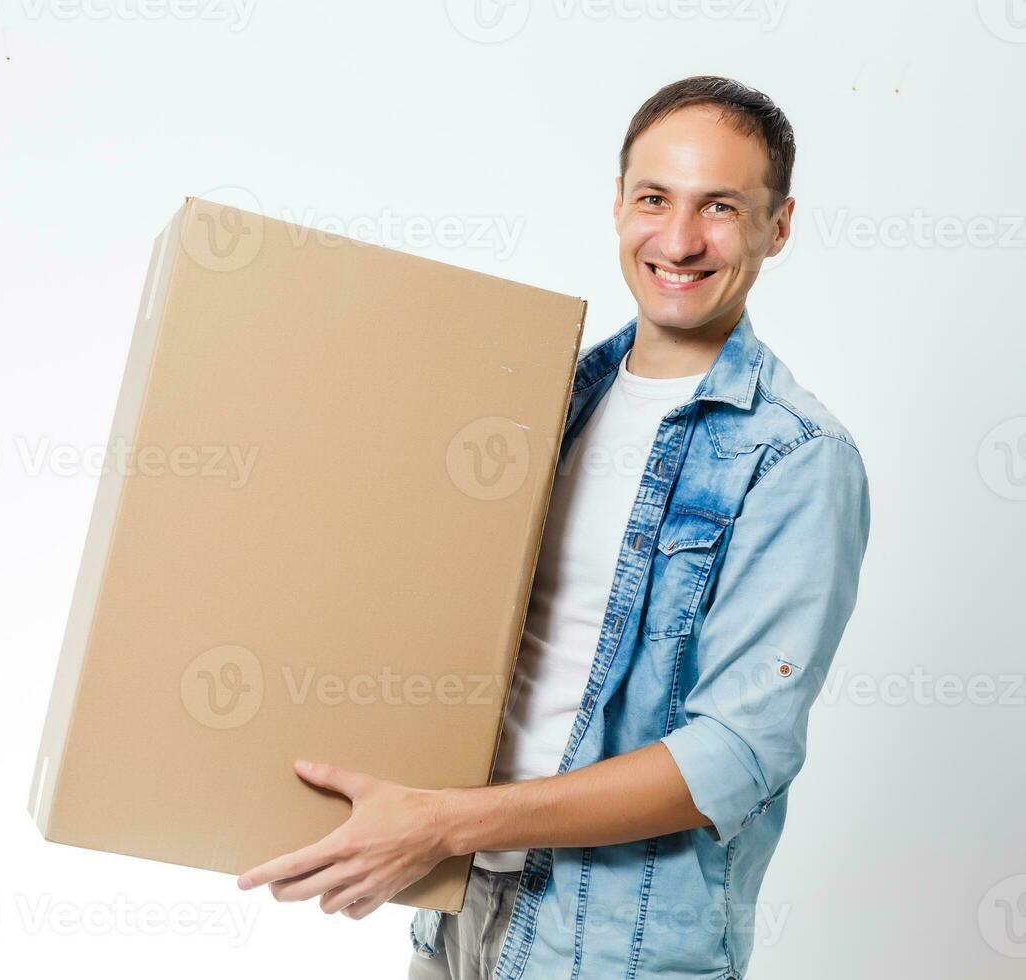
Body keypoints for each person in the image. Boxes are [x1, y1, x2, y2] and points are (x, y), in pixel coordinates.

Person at [235, 75, 871, 979]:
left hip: (620, 945)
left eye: (721, 207)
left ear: (778, 225)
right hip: (458, 904)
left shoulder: (798, 457)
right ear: (618, 205)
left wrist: (445, 817)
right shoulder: (543, 398)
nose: (680, 240)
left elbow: (734, 753)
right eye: (655, 199)